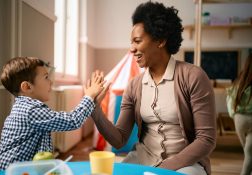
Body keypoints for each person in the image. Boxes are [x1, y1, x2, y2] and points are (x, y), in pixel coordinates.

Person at [90, 2, 216, 175]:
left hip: (186, 164)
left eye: (137, 41)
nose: (132, 48)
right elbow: (119, 139)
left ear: (160, 41)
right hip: (142, 159)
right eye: (131, 42)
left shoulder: (193, 76)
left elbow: (206, 139)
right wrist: (95, 110)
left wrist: (162, 170)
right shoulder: (134, 86)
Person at [0, 57, 104, 174]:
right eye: (46, 77)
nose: (51, 81)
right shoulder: (30, 110)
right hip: (5, 171)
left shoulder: (25, 107)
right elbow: (73, 121)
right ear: (27, 87)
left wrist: (92, 100)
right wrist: (89, 96)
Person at [226, 53, 252, 175]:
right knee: (250, 154)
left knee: (248, 152)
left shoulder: (240, 82)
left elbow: (229, 100)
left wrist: (233, 115)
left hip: (239, 119)